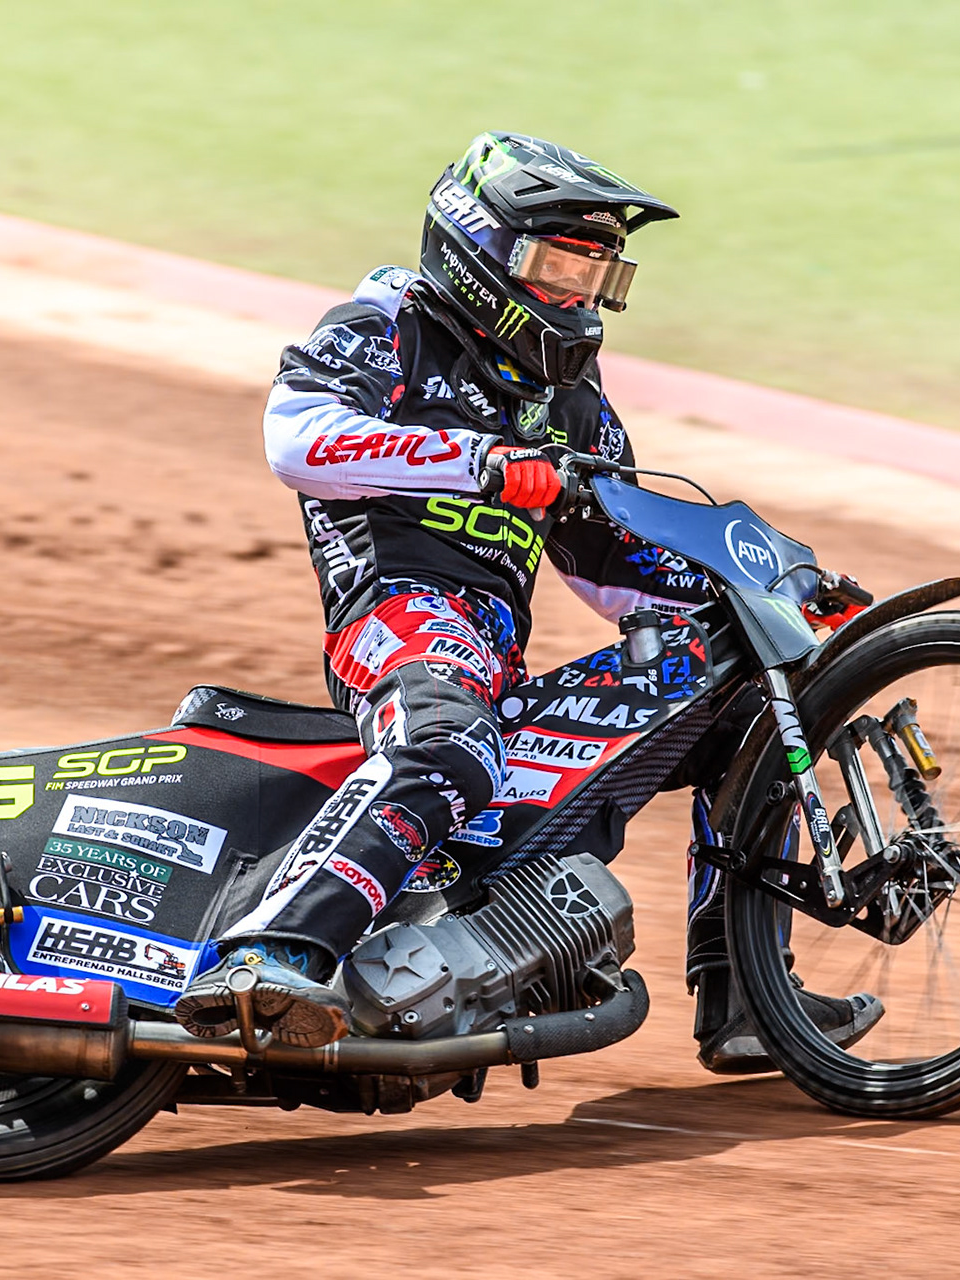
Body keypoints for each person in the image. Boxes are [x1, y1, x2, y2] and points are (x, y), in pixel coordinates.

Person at [174, 132, 879, 1068]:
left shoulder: (570, 397)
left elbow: (610, 567)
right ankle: (269, 955)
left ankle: (747, 996)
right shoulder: (387, 325)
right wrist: (483, 465)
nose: (578, 298)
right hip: (397, 616)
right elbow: (296, 438)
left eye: (598, 276)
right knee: (451, 740)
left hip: (499, 660)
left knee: (744, 706)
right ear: (479, 247)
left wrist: (761, 596)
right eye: (556, 266)